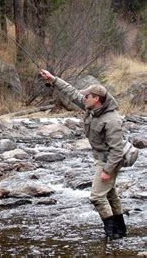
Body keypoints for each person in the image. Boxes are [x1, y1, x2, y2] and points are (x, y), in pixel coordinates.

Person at [39, 69, 126, 240]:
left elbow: (117, 151)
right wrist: (53, 79)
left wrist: (107, 171)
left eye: (87, 96)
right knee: (110, 194)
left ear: (97, 99)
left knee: (97, 197)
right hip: (101, 159)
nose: (84, 97)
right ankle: (120, 231)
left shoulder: (112, 120)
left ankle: (110, 233)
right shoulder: (91, 108)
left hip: (110, 161)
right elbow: (71, 92)